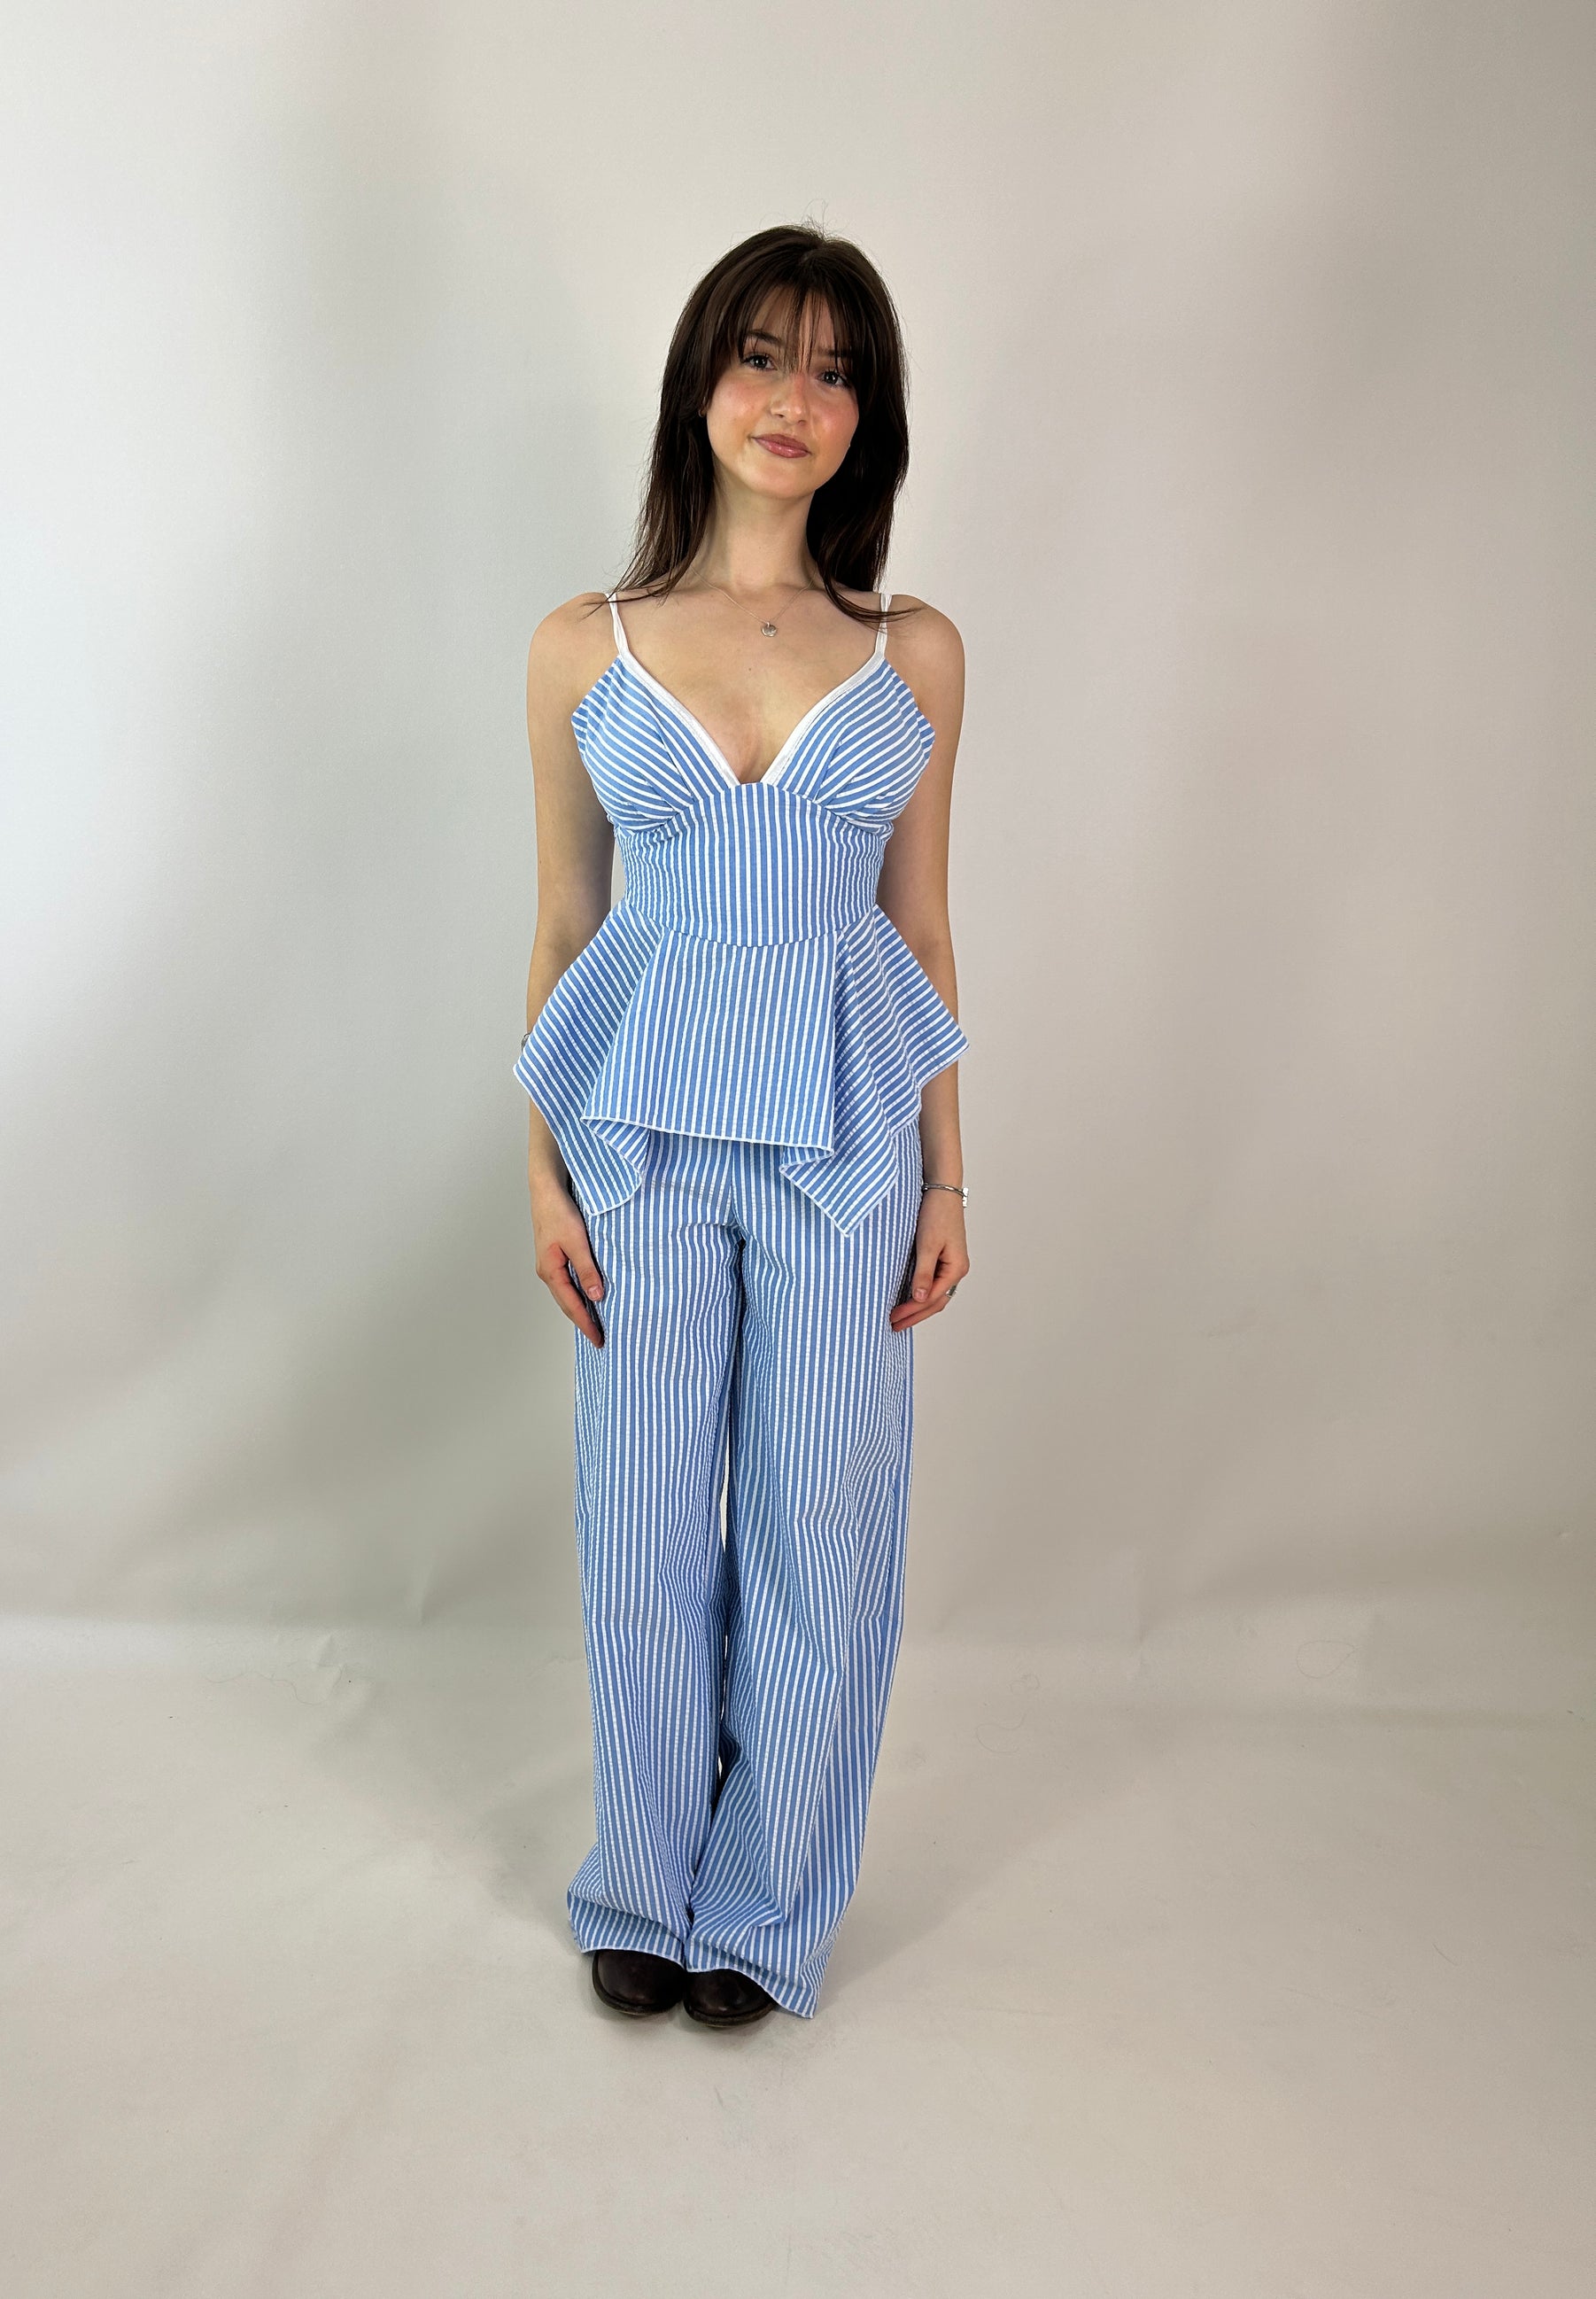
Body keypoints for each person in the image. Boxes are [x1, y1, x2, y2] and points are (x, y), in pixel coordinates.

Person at [516, 222, 969, 2027]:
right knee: (639, 1523)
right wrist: (539, 1167)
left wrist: (949, 1172)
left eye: (837, 372)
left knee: (818, 1526)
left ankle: (766, 1905)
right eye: (764, 356)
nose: (796, 399)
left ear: (870, 417)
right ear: (700, 382)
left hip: (846, 1142)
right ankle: (644, 1880)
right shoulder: (584, 644)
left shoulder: (913, 650)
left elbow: (920, 927)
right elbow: (565, 922)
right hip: (634, 1135)